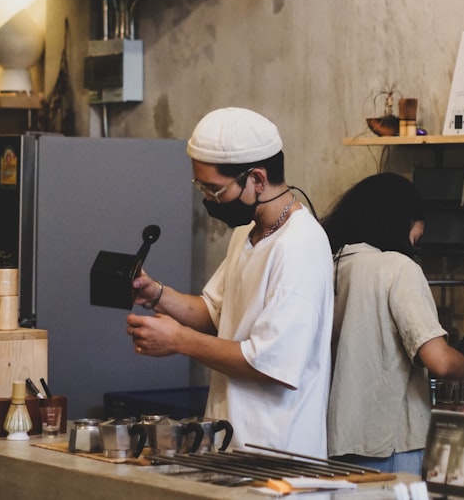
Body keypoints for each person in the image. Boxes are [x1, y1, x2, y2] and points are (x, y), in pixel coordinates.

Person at [125, 107, 334, 457]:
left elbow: (269, 363)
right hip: (228, 442)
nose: (208, 199)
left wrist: (179, 340)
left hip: (276, 453)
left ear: (258, 179)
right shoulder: (247, 233)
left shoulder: (300, 245)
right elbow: (215, 311)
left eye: (215, 190)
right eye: (201, 187)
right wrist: (156, 294)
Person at [321, 172, 464, 475]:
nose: (416, 242)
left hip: (331, 442)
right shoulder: (397, 267)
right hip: (388, 447)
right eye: (418, 235)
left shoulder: (331, 262)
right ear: (403, 221)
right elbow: (439, 361)